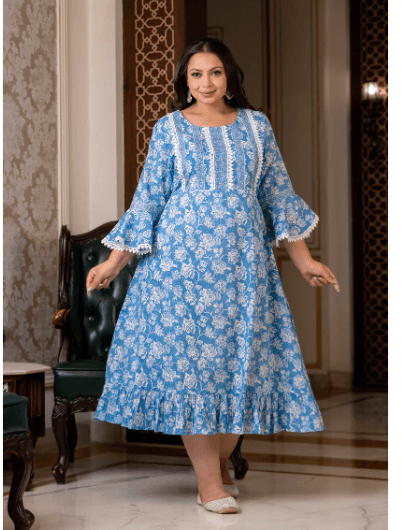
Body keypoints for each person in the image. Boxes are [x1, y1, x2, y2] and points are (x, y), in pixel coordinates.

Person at [86, 38, 340, 514]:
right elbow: (148, 201)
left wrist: (304, 260)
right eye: (197, 74)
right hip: (179, 270)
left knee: (239, 366)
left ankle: (218, 468)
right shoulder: (168, 130)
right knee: (194, 372)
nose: (206, 83)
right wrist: (113, 262)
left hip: (244, 270)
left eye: (215, 72)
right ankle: (208, 482)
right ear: (186, 81)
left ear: (229, 77)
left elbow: (278, 195)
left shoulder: (256, 126)